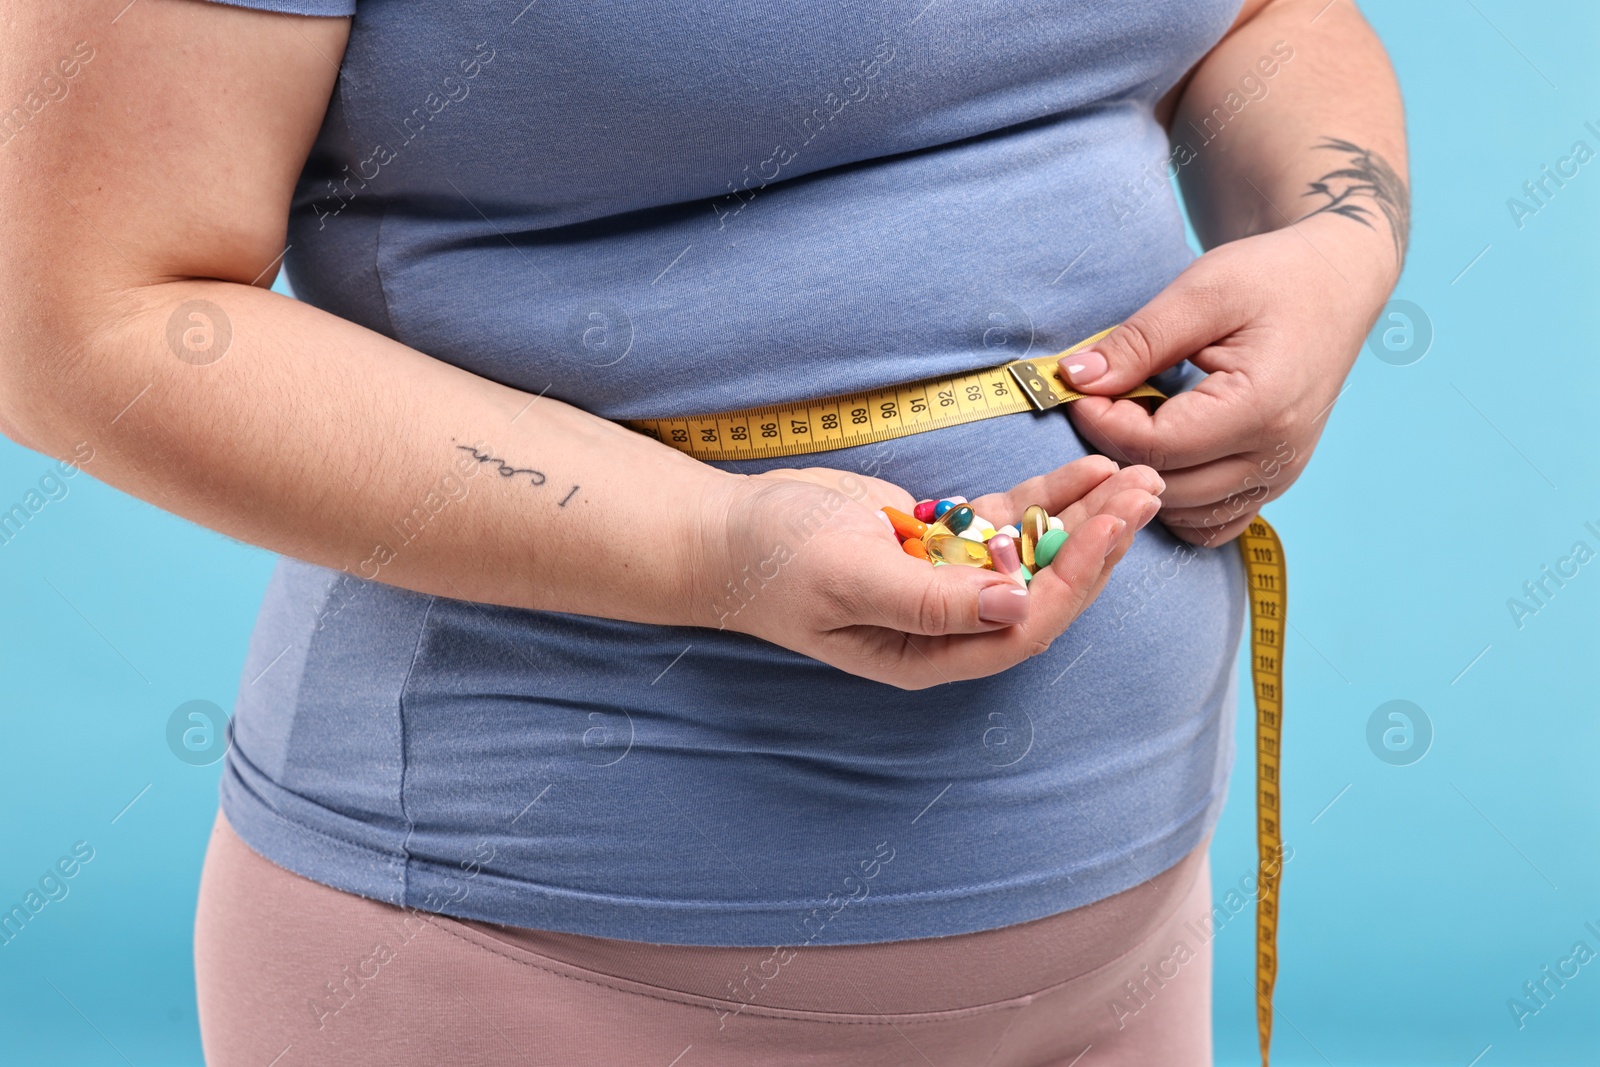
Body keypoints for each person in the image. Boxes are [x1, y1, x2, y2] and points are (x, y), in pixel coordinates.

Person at [0, 0, 1406, 1062]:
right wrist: (710, 546)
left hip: (1126, 931)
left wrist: (1338, 242)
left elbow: (1261, 18)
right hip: (532, 961)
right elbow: (75, 322)